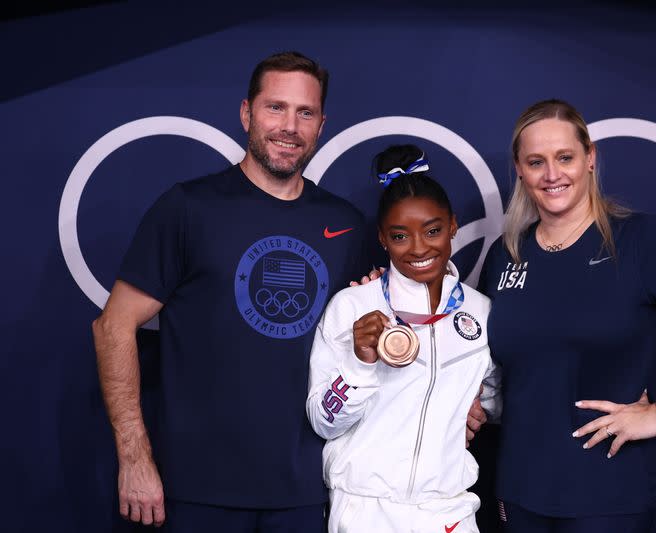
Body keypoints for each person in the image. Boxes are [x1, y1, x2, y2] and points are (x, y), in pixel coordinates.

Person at [92, 51, 370, 531]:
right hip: (197, 489)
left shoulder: (344, 224)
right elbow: (113, 326)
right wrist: (134, 458)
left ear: (322, 124)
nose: (289, 126)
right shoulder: (189, 207)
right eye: (275, 108)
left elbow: (376, 344)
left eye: (305, 113)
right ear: (246, 113)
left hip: (307, 488)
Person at [479, 99, 656, 532]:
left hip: (607, 491)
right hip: (519, 487)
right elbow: (473, 353)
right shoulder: (506, 253)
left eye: (565, 158)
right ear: (519, 168)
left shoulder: (640, 240)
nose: (552, 174)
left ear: (590, 158)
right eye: (536, 161)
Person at [306, 144, 502, 533]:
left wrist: (478, 407)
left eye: (432, 230)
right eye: (400, 236)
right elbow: (323, 420)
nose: (418, 248)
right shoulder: (351, 306)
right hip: (365, 512)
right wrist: (360, 362)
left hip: (449, 511)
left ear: (452, 226)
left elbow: (498, 398)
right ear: (381, 238)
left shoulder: (481, 313)